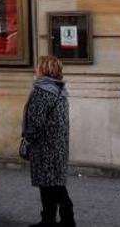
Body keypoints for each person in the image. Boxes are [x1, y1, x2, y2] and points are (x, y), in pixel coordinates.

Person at [21, 56, 74, 227]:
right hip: (58, 145)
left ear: (43, 69)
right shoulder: (59, 89)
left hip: (44, 146)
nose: (35, 70)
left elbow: (35, 122)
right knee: (51, 184)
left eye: (37, 67)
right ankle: (49, 219)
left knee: (54, 187)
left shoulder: (42, 91)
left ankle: (65, 220)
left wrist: (27, 141)